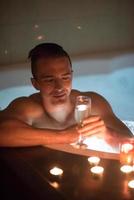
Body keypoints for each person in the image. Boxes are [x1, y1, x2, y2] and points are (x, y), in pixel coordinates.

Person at [0, 43, 133, 148]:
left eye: (65, 77)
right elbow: (3, 133)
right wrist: (66, 136)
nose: (59, 87)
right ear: (35, 84)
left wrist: (107, 134)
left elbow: (130, 141)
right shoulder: (28, 108)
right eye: (49, 80)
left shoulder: (92, 104)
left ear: (72, 76)